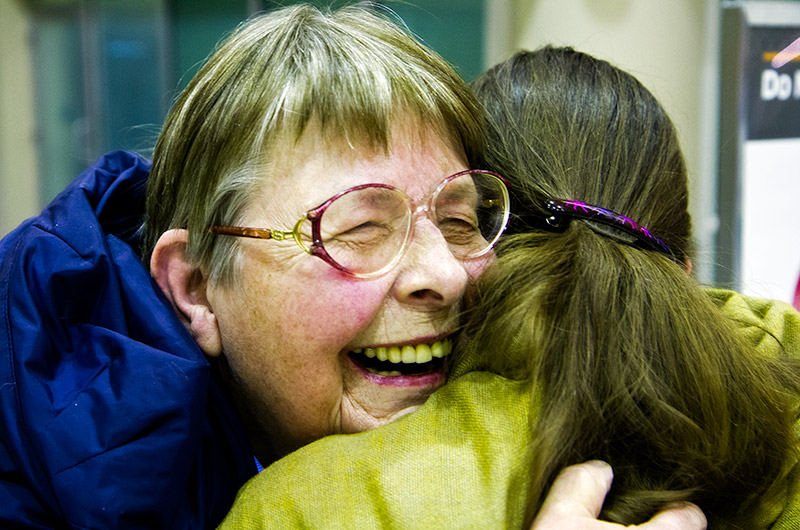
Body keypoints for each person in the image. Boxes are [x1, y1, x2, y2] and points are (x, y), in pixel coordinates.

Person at [0, 5, 671, 528]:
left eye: (460, 219)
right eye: (360, 229)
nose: (446, 275)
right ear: (196, 289)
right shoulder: (46, 482)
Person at [217, 47, 800, 529]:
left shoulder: (300, 509)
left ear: (484, 250)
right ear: (687, 269)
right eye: (363, 229)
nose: (433, 277)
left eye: (454, 223)